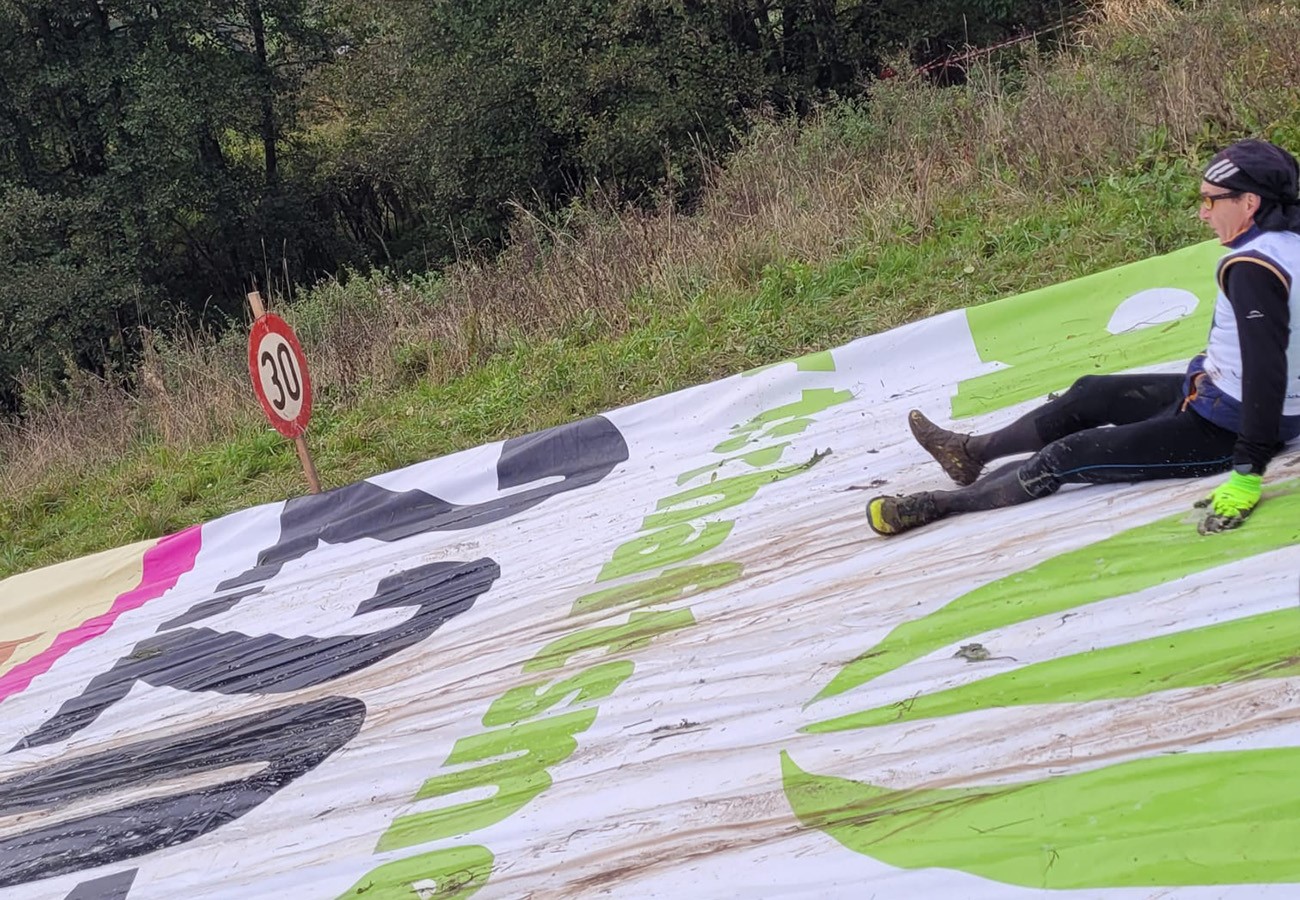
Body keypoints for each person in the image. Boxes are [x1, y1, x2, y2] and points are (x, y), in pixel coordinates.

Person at [868, 138, 1300, 537]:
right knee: (1091, 393)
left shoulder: (1254, 268)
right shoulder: (1284, 240)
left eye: (1209, 200)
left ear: (1249, 202)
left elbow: (1266, 371)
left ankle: (937, 505)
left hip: (1227, 428)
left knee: (1066, 455)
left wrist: (1247, 471)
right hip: (1213, 395)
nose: (1202, 213)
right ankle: (969, 453)